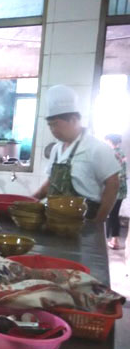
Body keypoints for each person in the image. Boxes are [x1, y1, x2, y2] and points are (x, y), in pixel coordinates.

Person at [32, 85, 120, 223]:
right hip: (55, 218)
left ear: (73, 120)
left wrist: (99, 221)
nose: (53, 130)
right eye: (50, 125)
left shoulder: (97, 148)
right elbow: (52, 183)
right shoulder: (56, 149)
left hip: (85, 219)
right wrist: (31, 200)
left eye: (56, 124)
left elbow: (113, 185)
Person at [104, 134, 127, 249]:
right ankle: (113, 239)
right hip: (121, 188)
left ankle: (114, 241)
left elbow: (112, 173)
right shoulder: (121, 153)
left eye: (106, 141)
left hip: (114, 188)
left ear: (110, 141)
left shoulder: (112, 153)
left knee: (112, 214)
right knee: (114, 214)